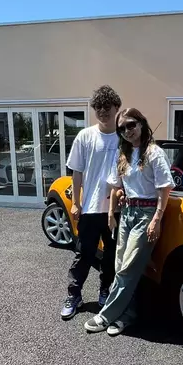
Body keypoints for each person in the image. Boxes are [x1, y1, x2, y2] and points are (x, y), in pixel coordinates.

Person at [84, 107, 175, 336]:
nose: (127, 131)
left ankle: (106, 315)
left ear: (141, 123)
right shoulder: (122, 154)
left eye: (131, 125)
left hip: (146, 214)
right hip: (127, 213)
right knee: (121, 267)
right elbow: (117, 187)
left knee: (128, 268)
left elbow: (164, 188)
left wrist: (156, 219)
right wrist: (112, 212)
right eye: (122, 128)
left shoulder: (154, 153)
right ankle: (127, 315)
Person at [61, 85, 123, 320]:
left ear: (117, 107)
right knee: (84, 254)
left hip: (116, 210)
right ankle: (74, 295)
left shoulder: (125, 136)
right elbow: (76, 172)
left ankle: (105, 291)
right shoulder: (85, 136)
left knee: (111, 255)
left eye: (107, 106)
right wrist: (76, 203)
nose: (103, 111)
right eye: (98, 107)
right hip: (90, 208)